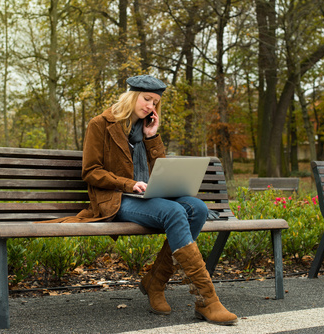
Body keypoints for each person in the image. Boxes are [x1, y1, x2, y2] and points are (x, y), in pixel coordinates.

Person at [78, 74, 237, 325]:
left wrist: (152, 136)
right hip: (117, 198)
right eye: (146, 99)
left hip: (147, 195)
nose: (151, 106)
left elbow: (158, 167)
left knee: (197, 207)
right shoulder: (100, 124)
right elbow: (90, 171)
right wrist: (129, 183)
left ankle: (156, 281)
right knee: (174, 212)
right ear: (131, 96)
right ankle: (207, 299)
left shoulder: (146, 127)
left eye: (155, 102)